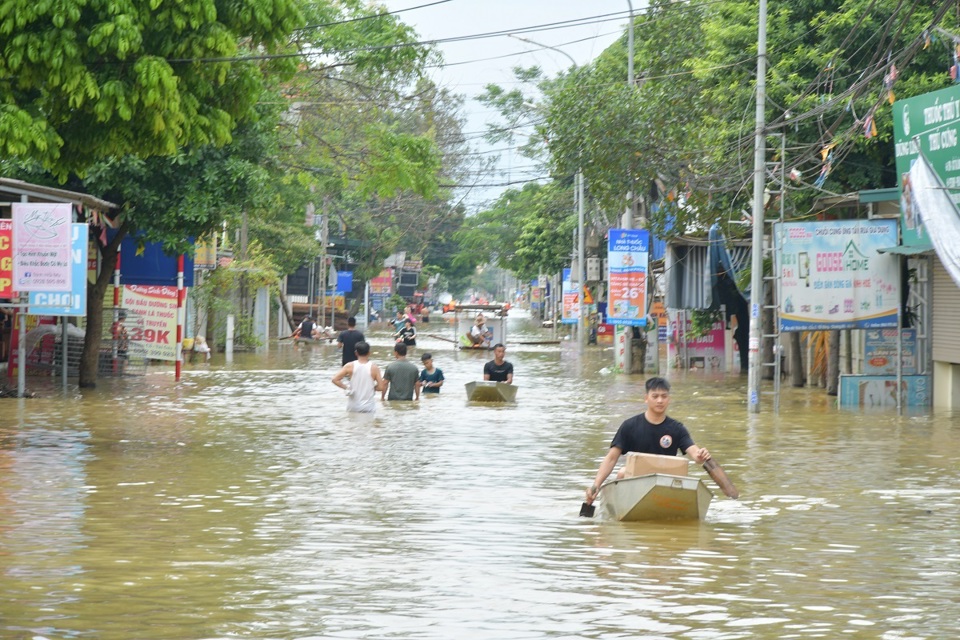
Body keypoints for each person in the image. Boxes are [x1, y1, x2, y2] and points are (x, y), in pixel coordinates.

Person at [584, 376, 711, 506]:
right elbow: (611, 458)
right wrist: (596, 485)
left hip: (665, 481)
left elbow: (695, 453)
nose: (660, 400)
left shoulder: (677, 429)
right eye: (655, 396)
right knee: (622, 472)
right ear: (646, 398)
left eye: (664, 396)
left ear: (669, 399)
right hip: (636, 481)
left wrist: (701, 455)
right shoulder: (630, 426)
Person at [332, 341, 383, 413]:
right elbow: (381, 387)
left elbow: (335, 379)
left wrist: (347, 387)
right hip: (368, 407)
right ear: (369, 353)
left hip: (353, 406)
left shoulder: (349, 366)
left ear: (356, 353)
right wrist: (372, 388)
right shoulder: (374, 368)